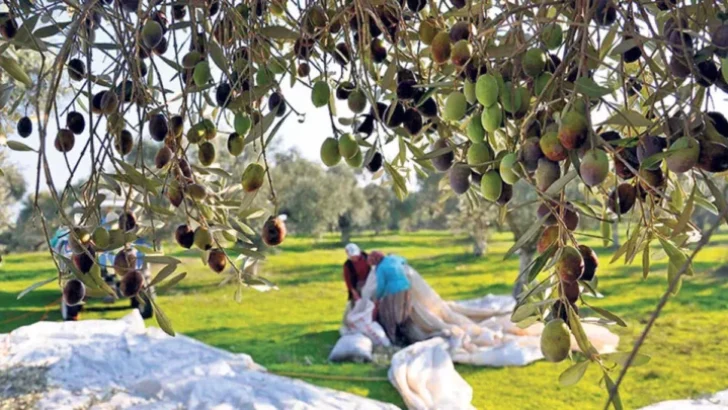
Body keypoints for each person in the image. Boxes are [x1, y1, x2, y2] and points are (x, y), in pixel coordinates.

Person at [369, 251, 414, 346]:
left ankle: (394, 339)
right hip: (407, 287)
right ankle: (406, 336)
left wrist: (377, 298)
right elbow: (404, 260)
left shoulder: (380, 268)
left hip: (394, 291)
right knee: (404, 313)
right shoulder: (394, 258)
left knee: (390, 315)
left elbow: (381, 285)